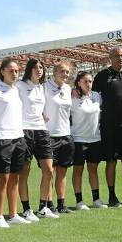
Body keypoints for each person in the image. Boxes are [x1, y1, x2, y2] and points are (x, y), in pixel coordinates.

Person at [0, 59, 30, 228]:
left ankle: (13, 214)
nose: (14, 73)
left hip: (18, 137)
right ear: (2, 71)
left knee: (15, 178)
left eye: (16, 71)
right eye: (11, 70)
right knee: (2, 179)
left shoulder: (17, 90)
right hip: (1, 138)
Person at [93, 47, 122, 206]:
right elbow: (90, 94)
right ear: (110, 57)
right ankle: (112, 196)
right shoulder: (101, 76)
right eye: (117, 56)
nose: (121, 58)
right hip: (109, 127)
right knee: (111, 162)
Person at [16, 58, 56, 221]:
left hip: (41, 131)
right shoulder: (19, 85)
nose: (39, 70)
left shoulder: (42, 87)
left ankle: (43, 207)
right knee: (24, 170)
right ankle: (26, 209)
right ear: (29, 69)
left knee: (49, 169)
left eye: (41, 67)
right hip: (24, 130)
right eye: (35, 67)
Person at [70, 71, 107, 210]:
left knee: (93, 170)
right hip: (78, 140)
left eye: (90, 81)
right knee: (78, 170)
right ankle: (79, 201)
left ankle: (96, 199)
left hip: (95, 139)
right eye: (85, 81)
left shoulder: (97, 96)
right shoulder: (72, 97)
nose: (88, 84)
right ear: (78, 82)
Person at [44, 61, 76, 213]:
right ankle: (49, 205)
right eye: (62, 71)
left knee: (62, 172)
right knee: (49, 172)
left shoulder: (68, 88)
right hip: (49, 136)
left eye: (67, 72)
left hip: (66, 135)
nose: (65, 75)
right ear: (54, 72)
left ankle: (61, 205)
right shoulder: (44, 87)